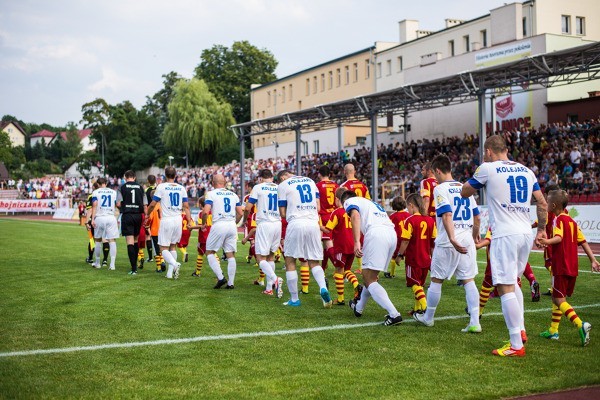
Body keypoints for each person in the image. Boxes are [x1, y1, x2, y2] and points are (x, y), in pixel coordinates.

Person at [462, 135, 548, 357]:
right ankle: (521, 329)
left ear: (489, 151)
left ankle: (515, 345)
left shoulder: (488, 168)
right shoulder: (527, 171)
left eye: (484, 153)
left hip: (504, 235)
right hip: (524, 233)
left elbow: (465, 192)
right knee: (515, 282)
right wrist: (541, 230)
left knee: (505, 288)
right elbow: (542, 202)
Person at [413, 155, 481, 333]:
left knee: (436, 280)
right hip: (466, 238)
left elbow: (447, 215)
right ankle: (475, 321)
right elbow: (477, 216)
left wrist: (452, 238)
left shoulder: (440, 188)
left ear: (436, 171)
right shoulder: (464, 186)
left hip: (449, 240)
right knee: (468, 281)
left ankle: (428, 318)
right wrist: (474, 236)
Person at [538, 190, 599, 346]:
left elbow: (558, 238)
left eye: (547, 202)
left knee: (558, 299)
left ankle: (580, 324)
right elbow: (583, 241)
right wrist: (593, 259)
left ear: (553, 205)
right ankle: (553, 331)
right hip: (572, 266)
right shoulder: (572, 221)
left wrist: (546, 241)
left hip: (561, 265)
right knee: (558, 297)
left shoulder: (558, 220)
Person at [343, 190, 402, 326]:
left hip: (376, 233)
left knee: (369, 279)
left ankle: (394, 314)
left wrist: (357, 241)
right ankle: (358, 308)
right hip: (390, 234)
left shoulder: (350, 201)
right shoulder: (370, 203)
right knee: (369, 276)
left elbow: (355, 216)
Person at [276, 169, 332, 307]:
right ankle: (322, 288)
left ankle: (294, 299)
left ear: (283, 177)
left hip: (296, 223)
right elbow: (318, 207)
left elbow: (282, 213)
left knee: (290, 261)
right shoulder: (311, 181)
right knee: (314, 261)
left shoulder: (283, 185)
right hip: (313, 223)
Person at [147, 166, 192, 280]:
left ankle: (174, 264)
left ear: (165, 176)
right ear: (175, 175)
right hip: (178, 219)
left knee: (163, 248)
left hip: (167, 219)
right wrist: (189, 221)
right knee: (173, 246)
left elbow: (153, 204)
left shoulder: (161, 187)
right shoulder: (181, 188)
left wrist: (147, 214)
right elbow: (186, 207)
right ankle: (169, 274)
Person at [245, 169, 284, 297]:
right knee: (271, 257)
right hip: (277, 224)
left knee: (260, 257)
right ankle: (269, 288)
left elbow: (248, 207)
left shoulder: (258, 187)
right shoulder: (279, 187)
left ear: (261, 178)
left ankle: (275, 279)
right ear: (272, 177)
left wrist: (245, 218)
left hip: (265, 223)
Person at [201, 174, 243, 289]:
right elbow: (240, 212)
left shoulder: (211, 194)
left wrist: (204, 223)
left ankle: (221, 278)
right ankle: (231, 283)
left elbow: (205, 212)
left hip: (219, 224)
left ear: (213, 183)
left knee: (209, 252)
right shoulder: (233, 194)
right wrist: (234, 223)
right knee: (230, 254)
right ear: (225, 182)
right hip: (231, 224)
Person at [396, 193, 436, 316]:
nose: (408, 210)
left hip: (414, 259)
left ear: (412, 205)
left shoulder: (410, 220)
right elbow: (433, 243)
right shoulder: (430, 220)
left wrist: (400, 254)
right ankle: (417, 308)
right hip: (426, 259)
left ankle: (425, 307)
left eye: (408, 207)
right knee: (420, 285)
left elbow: (405, 240)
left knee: (414, 284)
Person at [322, 187, 361, 305]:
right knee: (347, 270)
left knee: (339, 270)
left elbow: (328, 230)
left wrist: (317, 225)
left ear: (338, 199)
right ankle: (356, 285)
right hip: (352, 244)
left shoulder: (337, 212)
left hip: (341, 245)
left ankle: (340, 299)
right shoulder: (354, 211)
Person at [117, 170, 147, 276]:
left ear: (125, 177)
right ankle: (135, 267)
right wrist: (146, 216)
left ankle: (133, 268)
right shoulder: (140, 187)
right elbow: (145, 204)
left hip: (128, 215)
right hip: (138, 215)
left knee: (129, 241)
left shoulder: (122, 187)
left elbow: (118, 203)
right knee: (135, 240)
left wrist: (125, 205)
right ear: (134, 177)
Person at [90, 177, 118, 270]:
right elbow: (116, 204)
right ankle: (112, 265)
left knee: (97, 240)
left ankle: (97, 263)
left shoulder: (96, 192)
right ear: (106, 183)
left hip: (100, 217)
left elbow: (94, 205)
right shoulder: (113, 192)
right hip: (111, 217)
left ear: (98, 184)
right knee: (112, 240)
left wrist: (93, 219)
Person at [316, 165, 339, 271]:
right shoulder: (336, 185)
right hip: (335, 215)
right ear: (329, 174)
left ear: (319, 174)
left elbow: (317, 204)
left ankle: (340, 268)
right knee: (327, 244)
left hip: (324, 216)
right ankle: (323, 267)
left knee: (328, 243)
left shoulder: (318, 186)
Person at [387, 196, 410, 278]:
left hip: (397, 239)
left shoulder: (392, 216)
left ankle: (392, 274)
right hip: (407, 238)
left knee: (394, 256)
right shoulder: (409, 214)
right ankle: (408, 274)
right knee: (409, 256)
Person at [189, 196, 211, 277]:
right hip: (211, 235)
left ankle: (197, 272)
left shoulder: (201, 213)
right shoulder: (211, 212)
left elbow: (201, 225)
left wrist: (191, 227)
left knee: (201, 253)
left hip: (203, 236)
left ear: (201, 205)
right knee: (212, 252)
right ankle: (197, 272)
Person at [144, 175, 157, 263]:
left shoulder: (146, 190)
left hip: (149, 213)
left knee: (148, 235)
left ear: (148, 181)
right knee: (158, 235)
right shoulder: (159, 188)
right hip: (159, 212)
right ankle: (159, 255)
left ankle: (150, 257)